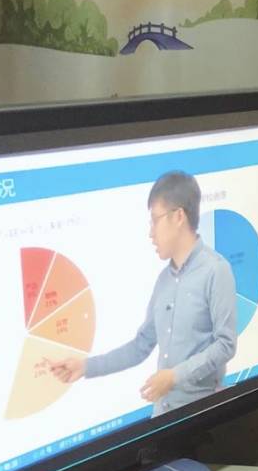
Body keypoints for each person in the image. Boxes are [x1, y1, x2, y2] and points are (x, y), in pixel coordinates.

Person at [49, 170, 237, 416]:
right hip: (163, 415)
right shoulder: (164, 280)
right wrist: (85, 366)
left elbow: (226, 345)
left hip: (202, 414)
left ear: (178, 216)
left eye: (155, 220)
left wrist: (174, 377)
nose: (151, 232)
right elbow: (140, 346)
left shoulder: (216, 270)